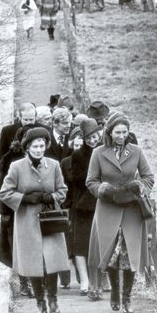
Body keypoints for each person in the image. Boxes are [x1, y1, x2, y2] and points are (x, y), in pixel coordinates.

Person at [86, 113, 155, 313]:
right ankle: (115, 290)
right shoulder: (98, 153)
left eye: (125, 132)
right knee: (110, 252)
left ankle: (127, 298)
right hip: (108, 207)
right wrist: (103, 190)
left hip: (132, 208)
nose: (122, 136)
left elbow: (149, 177)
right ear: (109, 132)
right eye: (118, 132)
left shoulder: (136, 151)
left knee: (130, 253)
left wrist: (139, 186)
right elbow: (91, 181)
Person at [0, 127, 69, 313]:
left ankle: (53, 299)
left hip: (50, 220)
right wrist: (25, 199)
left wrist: (51, 197)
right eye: (35, 146)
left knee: (52, 260)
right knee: (33, 262)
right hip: (27, 222)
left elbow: (63, 190)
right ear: (27, 147)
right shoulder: (16, 167)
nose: (39, 149)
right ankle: (40, 303)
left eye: (42, 146)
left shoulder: (54, 165)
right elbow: (5, 193)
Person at [60, 118, 103, 297]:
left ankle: (98, 280)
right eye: (89, 138)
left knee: (100, 244)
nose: (92, 140)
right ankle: (84, 280)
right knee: (80, 244)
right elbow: (77, 181)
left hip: (101, 203)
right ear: (84, 139)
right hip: (83, 204)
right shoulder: (78, 156)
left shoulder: (104, 151)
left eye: (95, 136)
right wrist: (94, 175)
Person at [0, 124, 37, 298]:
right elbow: (2, 187)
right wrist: (4, 211)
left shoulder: (39, 156)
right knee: (20, 246)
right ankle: (24, 283)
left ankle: (36, 281)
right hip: (16, 209)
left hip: (36, 209)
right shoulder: (10, 159)